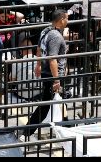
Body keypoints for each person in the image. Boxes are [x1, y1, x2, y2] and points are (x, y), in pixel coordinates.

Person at [23, 9, 69, 139]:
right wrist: (56, 80)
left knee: (60, 101)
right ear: (61, 20)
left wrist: (38, 65)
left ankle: (67, 128)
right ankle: (26, 132)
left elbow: (38, 49)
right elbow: (52, 59)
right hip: (52, 75)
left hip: (47, 73)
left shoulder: (45, 30)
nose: (67, 21)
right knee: (45, 107)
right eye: (66, 18)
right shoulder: (56, 36)